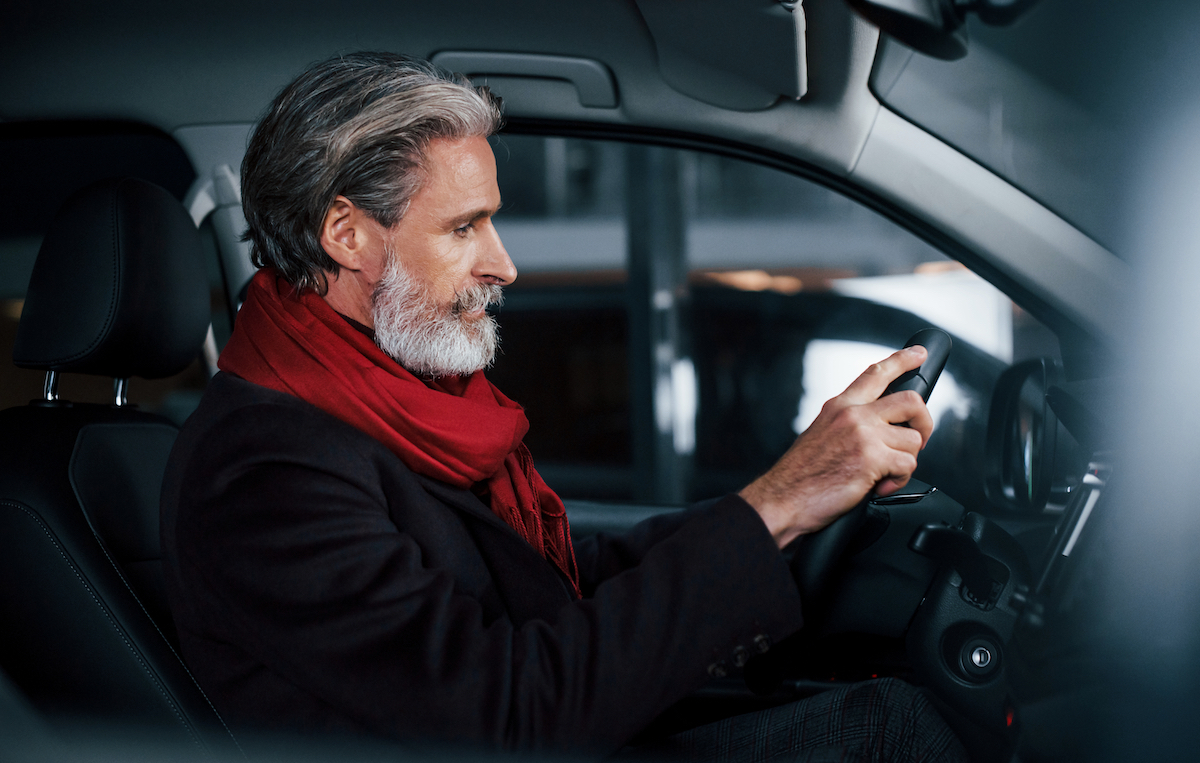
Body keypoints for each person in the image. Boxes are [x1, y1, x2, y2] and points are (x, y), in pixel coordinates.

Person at [160, 52, 966, 761]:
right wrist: (776, 507)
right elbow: (502, 717)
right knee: (884, 732)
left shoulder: (390, 403)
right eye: (464, 227)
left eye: (493, 222)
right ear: (346, 233)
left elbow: (558, 582)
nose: (503, 264)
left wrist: (796, 505)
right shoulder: (262, 471)